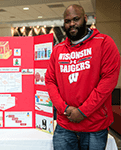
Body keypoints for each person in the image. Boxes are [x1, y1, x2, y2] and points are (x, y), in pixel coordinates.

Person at [45, 4, 120, 150]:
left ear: (85, 19)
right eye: (67, 21)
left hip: (95, 126)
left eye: (76, 19)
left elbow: (108, 81)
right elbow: (50, 80)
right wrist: (64, 108)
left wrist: (83, 111)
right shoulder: (58, 50)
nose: (72, 24)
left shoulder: (104, 43)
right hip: (64, 125)